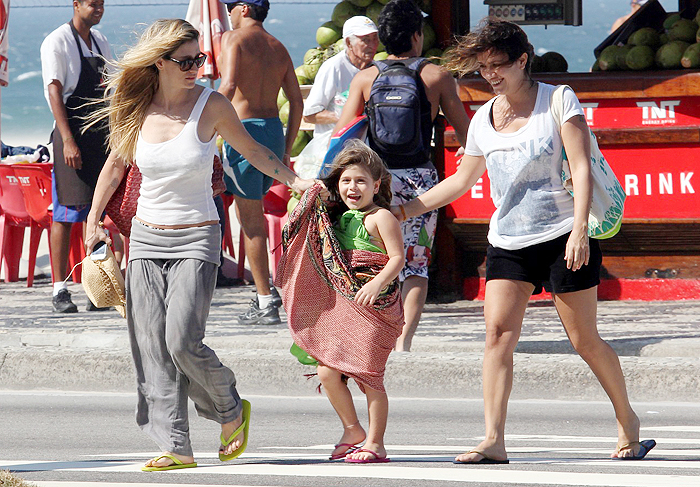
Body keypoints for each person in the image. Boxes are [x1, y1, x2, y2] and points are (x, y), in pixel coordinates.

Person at [397, 18, 656, 463]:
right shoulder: (482, 118)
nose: (491, 75)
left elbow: (579, 166)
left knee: (584, 340)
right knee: (498, 335)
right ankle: (493, 439)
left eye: (499, 66)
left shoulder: (558, 99)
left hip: (562, 235)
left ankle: (627, 419)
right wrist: (405, 209)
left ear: (523, 59)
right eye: (483, 68)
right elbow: (462, 180)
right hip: (509, 239)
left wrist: (579, 231)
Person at [83, 19, 315, 471]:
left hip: (198, 234)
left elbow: (252, 150)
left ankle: (229, 407)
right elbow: (114, 167)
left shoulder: (212, 105)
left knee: (182, 340)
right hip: (146, 238)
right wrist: (93, 220)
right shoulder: (135, 108)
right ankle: (176, 445)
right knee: (150, 343)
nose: (195, 68)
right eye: (185, 60)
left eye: (199, 59)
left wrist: (295, 179)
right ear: (159, 62)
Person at [334, 0, 470, 352]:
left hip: (375, 181)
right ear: (416, 35)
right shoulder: (435, 76)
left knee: (373, 255)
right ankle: (403, 342)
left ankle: (370, 333)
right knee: (414, 264)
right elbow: (468, 134)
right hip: (419, 183)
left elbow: (344, 134)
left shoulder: (366, 78)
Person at [276, 140, 404, 463]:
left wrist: (376, 283)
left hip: (375, 307)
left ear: (376, 185)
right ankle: (352, 431)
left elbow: (397, 259)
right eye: (346, 181)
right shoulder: (336, 217)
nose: (353, 187)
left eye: (361, 181)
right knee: (327, 373)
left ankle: (376, 443)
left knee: (369, 375)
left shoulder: (381, 218)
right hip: (345, 306)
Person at [217, 0, 303, 325]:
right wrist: (287, 147)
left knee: (251, 223)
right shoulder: (278, 46)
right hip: (273, 133)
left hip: (245, 135)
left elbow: (227, 86)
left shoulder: (234, 39)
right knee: (260, 216)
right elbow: (296, 100)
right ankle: (266, 292)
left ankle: (266, 301)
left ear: (243, 9)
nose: (228, 14)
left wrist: (197, 122)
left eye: (230, 7)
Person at [40, 0, 114, 313]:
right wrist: (68, 139)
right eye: (93, 4)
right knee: (66, 213)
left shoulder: (101, 42)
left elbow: (112, 87)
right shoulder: (57, 41)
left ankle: (96, 288)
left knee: (97, 214)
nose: (99, 9)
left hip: (100, 133)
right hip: (71, 130)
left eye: (102, 4)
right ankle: (59, 290)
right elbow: (54, 91)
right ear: (76, 5)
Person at [302, 16, 379, 139]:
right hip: (335, 147)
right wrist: (346, 117)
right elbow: (310, 114)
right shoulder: (333, 67)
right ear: (349, 43)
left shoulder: (375, 70)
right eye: (366, 40)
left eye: (375, 39)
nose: (373, 45)